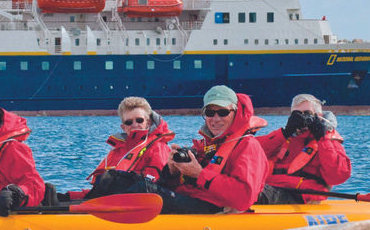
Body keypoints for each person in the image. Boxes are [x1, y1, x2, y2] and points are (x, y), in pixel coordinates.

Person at [93, 85, 267, 214]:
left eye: (222, 112)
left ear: (235, 112)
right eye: (210, 113)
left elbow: (243, 198)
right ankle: (80, 208)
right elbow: (174, 184)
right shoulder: (207, 145)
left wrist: (200, 174)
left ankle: (94, 216)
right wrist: (172, 171)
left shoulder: (247, 145)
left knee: (145, 189)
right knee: (115, 178)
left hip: (214, 208)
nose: (215, 119)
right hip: (193, 198)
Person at [256, 93, 351, 204]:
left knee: (253, 194)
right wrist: (285, 133)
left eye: (307, 114)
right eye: (297, 114)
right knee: (244, 189)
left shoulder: (327, 141)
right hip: (274, 186)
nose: (302, 118)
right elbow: (251, 152)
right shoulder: (284, 138)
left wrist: (322, 139)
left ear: (318, 115)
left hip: (302, 196)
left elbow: (338, 176)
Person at [75, 97, 175, 199]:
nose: (135, 124)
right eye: (129, 122)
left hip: (144, 200)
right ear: (123, 127)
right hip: (113, 200)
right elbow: (98, 190)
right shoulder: (117, 151)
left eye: (139, 120)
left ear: (148, 123)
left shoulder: (158, 148)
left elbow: (153, 185)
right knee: (62, 197)